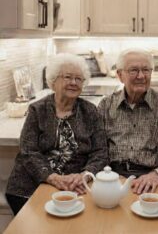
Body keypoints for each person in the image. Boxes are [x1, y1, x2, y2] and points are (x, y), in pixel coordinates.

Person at [6, 53, 108, 215]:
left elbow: (101, 152)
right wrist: (52, 177)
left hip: (77, 186)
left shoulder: (90, 111)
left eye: (79, 79)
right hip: (33, 184)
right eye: (68, 77)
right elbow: (28, 151)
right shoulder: (37, 110)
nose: (73, 83)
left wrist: (85, 175)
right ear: (53, 81)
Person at [98, 49, 158, 195]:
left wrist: (156, 175)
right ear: (120, 75)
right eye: (133, 70)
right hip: (113, 178)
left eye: (146, 70)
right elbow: (98, 151)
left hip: (154, 178)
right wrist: (111, 176)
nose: (141, 76)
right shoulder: (106, 105)